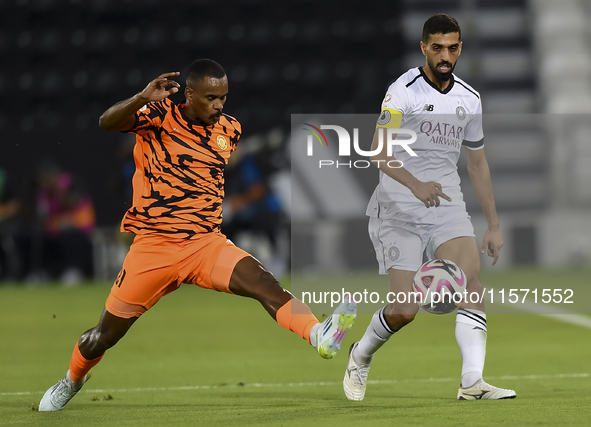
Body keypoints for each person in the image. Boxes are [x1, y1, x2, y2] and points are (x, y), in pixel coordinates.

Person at [39, 59, 357, 412]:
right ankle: (72, 379)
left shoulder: (229, 129)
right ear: (189, 94)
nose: (219, 105)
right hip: (154, 248)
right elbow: (106, 122)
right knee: (102, 337)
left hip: (205, 244)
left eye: (223, 97)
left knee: (265, 283)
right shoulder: (157, 116)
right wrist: (142, 97)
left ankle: (319, 335)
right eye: (211, 97)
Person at [342, 14, 516, 401]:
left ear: (459, 49)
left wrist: (493, 224)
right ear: (423, 47)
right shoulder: (402, 90)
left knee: (471, 285)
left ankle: (472, 382)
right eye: (437, 47)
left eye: (452, 48)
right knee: (405, 310)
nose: (445, 55)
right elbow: (379, 151)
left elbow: (477, 163)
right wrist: (416, 184)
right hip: (400, 204)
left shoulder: (469, 98)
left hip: (447, 204)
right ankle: (361, 353)